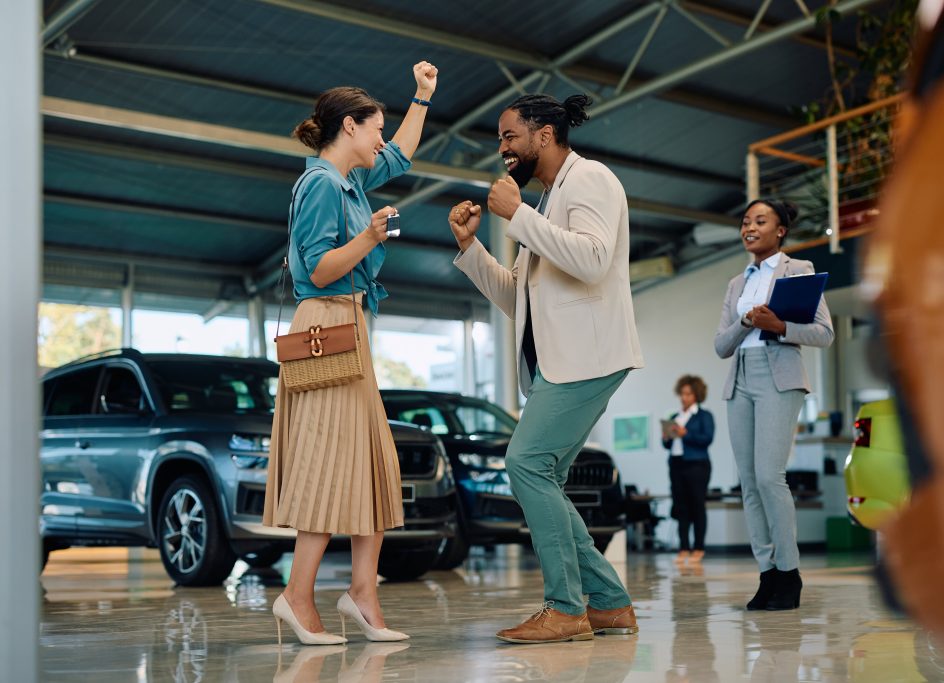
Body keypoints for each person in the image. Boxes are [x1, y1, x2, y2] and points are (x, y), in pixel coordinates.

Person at [447, 93, 645, 644]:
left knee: (526, 463)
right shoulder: (548, 197)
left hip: (590, 354)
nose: (503, 148)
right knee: (543, 479)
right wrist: (470, 250)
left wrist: (516, 216)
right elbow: (521, 299)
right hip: (559, 361)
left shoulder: (590, 180)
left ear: (544, 134)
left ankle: (565, 607)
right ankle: (607, 602)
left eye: (511, 136)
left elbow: (592, 259)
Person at [263, 61, 438, 645]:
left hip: (351, 325)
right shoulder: (319, 185)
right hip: (327, 326)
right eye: (376, 128)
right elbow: (314, 267)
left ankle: (363, 594)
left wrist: (422, 96)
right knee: (325, 466)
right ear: (349, 127)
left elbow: (404, 154)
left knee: (372, 464)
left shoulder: (351, 182)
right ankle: (296, 595)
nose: (382, 140)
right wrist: (369, 236)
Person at [713, 198, 834, 611]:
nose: (749, 227)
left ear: (780, 230)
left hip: (778, 374)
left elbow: (824, 333)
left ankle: (790, 573)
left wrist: (778, 326)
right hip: (740, 377)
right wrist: (745, 321)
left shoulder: (798, 271)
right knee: (748, 481)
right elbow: (720, 346)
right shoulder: (736, 284)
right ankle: (767, 575)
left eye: (760, 221)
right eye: (745, 221)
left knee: (769, 476)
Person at [661, 374, 715, 566]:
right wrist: (666, 437)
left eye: (688, 394)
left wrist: (686, 433)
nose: (684, 397)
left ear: (696, 395)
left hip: (697, 465)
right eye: (682, 394)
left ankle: (698, 547)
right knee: (680, 506)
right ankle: (683, 547)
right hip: (676, 464)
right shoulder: (675, 417)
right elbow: (667, 446)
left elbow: (707, 439)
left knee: (697, 506)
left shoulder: (704, 416)